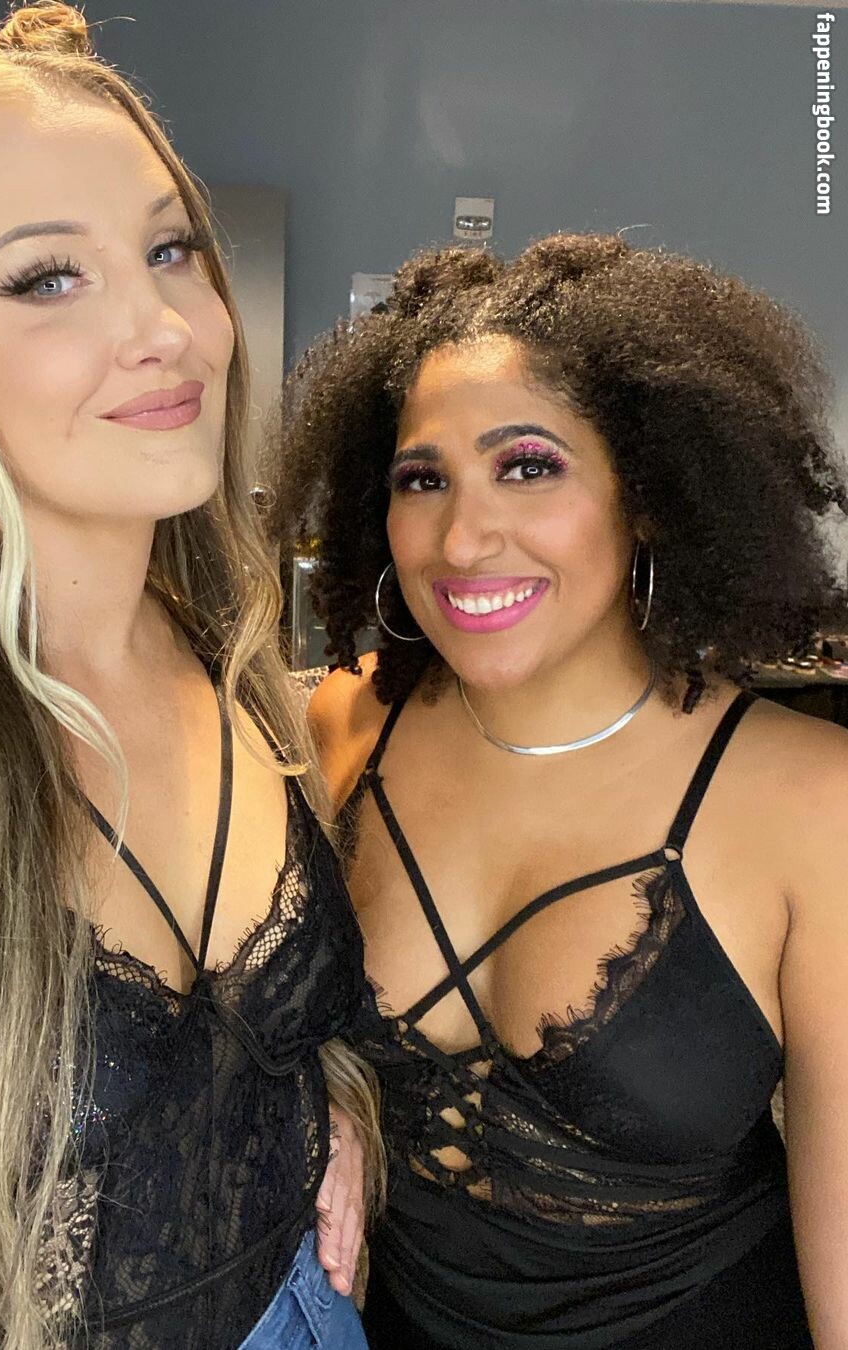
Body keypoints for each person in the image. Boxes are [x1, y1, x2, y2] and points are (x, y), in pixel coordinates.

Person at [0, 6, 379, 1347]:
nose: (166, 327)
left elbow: (239, 1040)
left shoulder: (227, 649)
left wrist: (315, 1110)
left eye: (170, 250)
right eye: (48, 278)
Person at [270, 235, 848, 1348]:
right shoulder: (347, 723)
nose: (463, 537)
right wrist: (330, 1101)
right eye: (422, 479)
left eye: (528, 467)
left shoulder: (813, 805)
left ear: (651, 499)